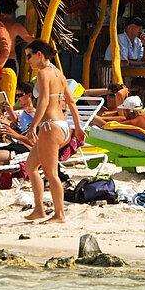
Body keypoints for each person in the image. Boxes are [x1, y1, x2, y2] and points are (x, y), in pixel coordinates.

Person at [24, 40, 85, 223]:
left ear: (39, 54)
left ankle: (59, 215)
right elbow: (71, 102)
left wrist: (33, 125)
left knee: (51, 174)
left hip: (50, 127)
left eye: (29, 56)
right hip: (63, 127)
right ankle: (39, 209)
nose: (28, 61)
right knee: (30, 167)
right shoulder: (59, 74)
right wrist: (78, 127)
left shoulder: (43, 73)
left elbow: (42, 102)